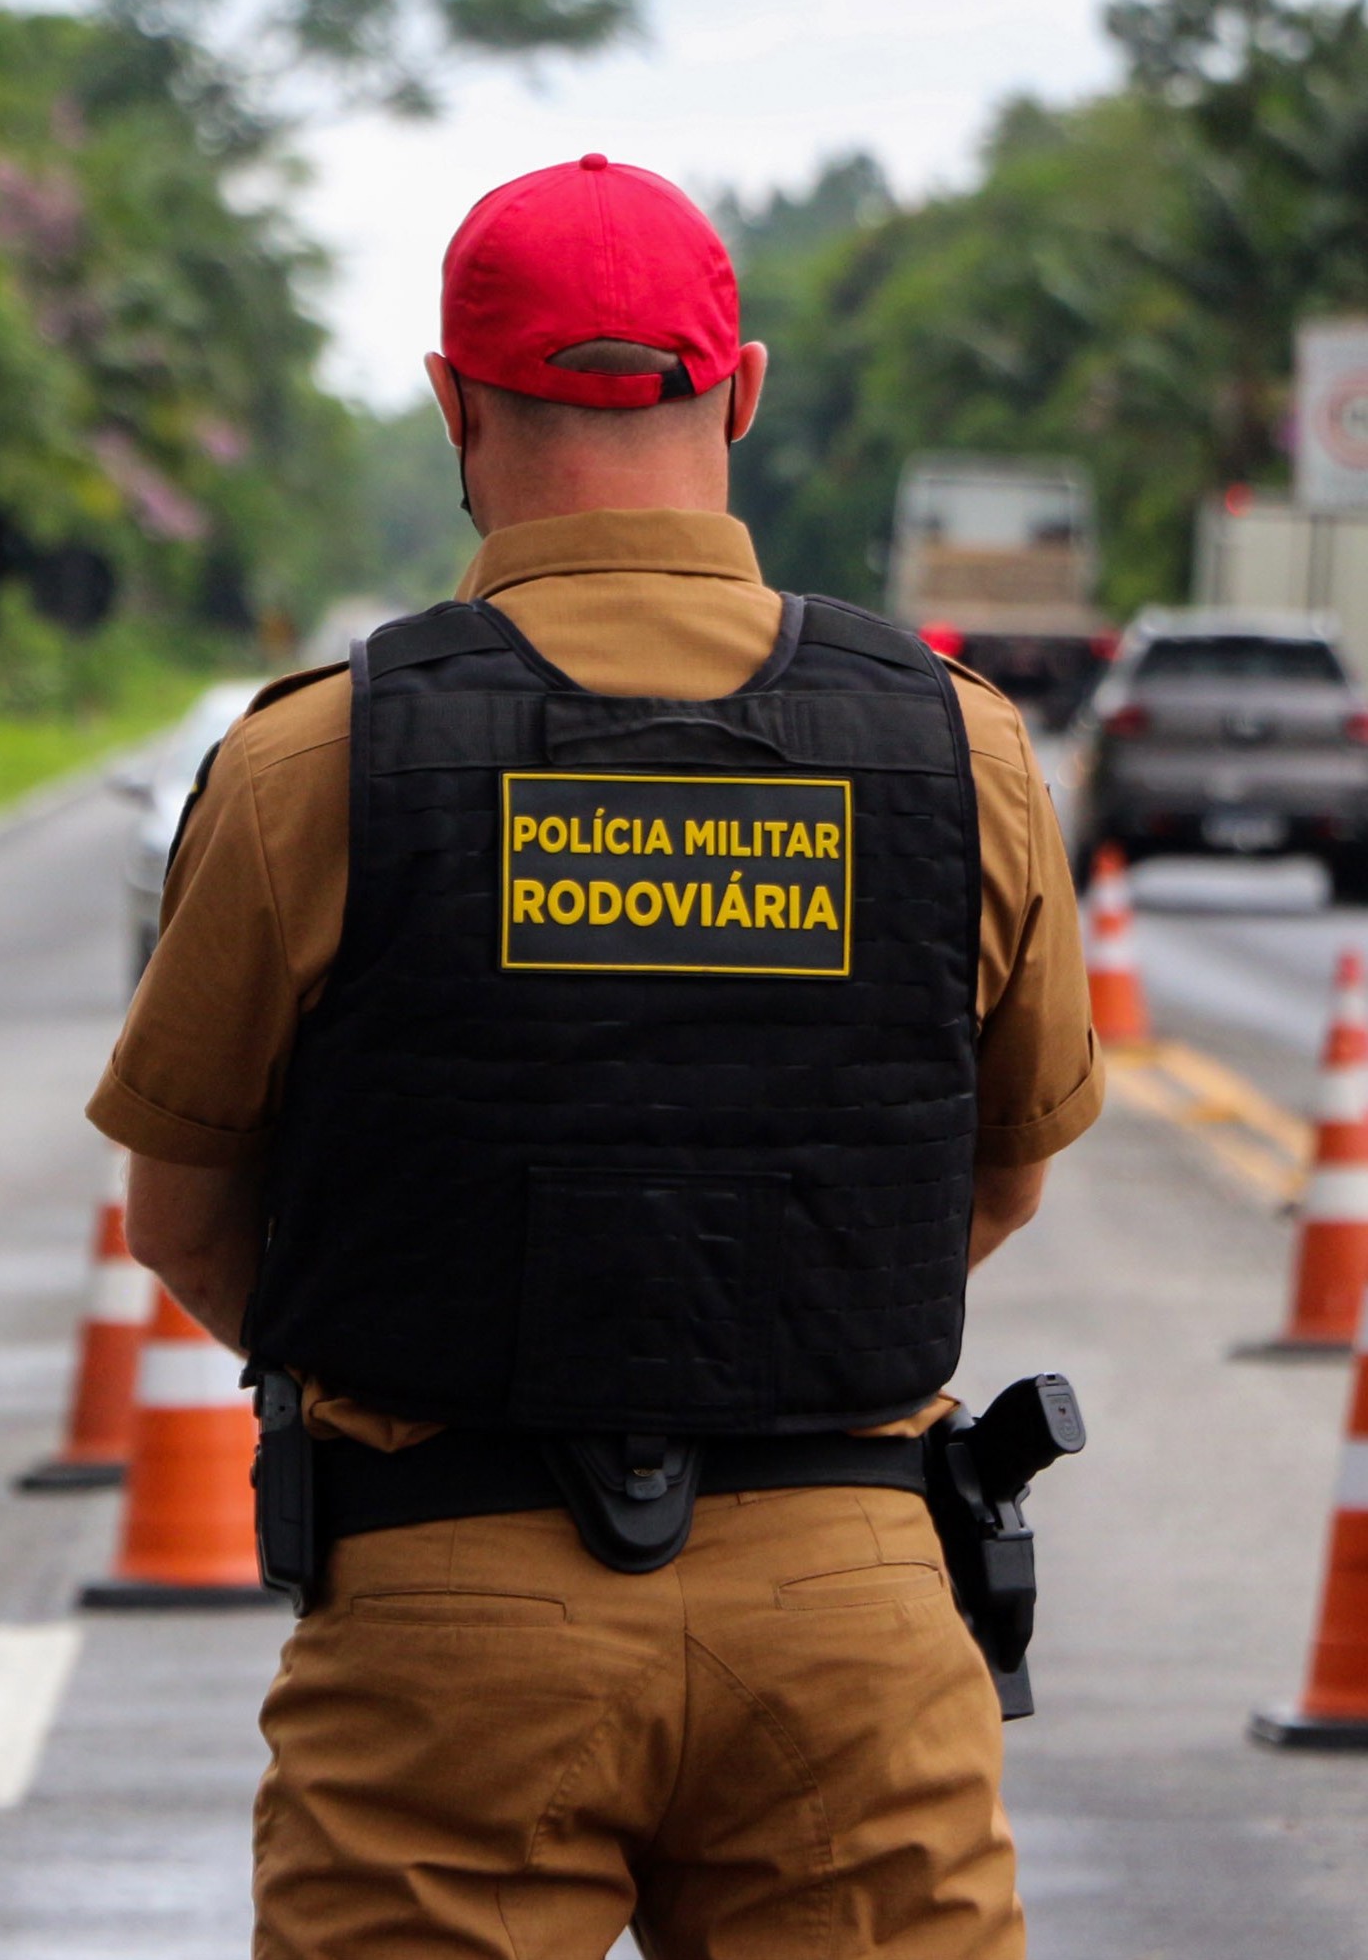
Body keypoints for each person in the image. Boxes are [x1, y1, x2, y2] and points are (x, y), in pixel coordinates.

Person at [85, 154, 1100, 1960]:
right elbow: (1002, 1170)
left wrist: (461, 1337)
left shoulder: (315, 763)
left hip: (443, 1616)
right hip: (853, 1615)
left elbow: (182, 1217)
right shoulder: (963, 752)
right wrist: (759, 1310)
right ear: (746, 386)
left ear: (453, 402)